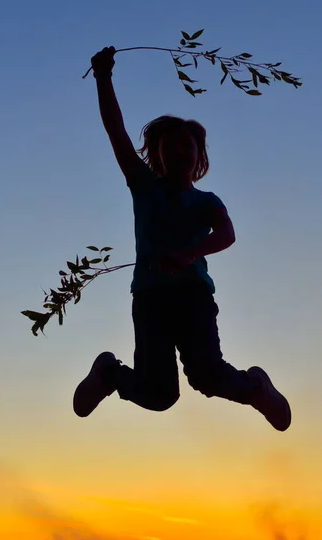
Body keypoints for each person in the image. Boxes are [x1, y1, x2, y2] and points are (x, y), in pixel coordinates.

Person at [73, 46, 291, 432]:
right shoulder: (143, 186)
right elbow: (116, 130)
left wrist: (191, 252)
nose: (177, 150)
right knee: (159, 395)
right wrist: (104, 78)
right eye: (168, 145)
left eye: (186, 145)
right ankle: (108, 374)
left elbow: (227, 234)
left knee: (207, 375)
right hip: (151, 299)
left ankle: (256, 387)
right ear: (155, 154)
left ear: (198, 155)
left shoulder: (206, 201)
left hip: (193, 297)